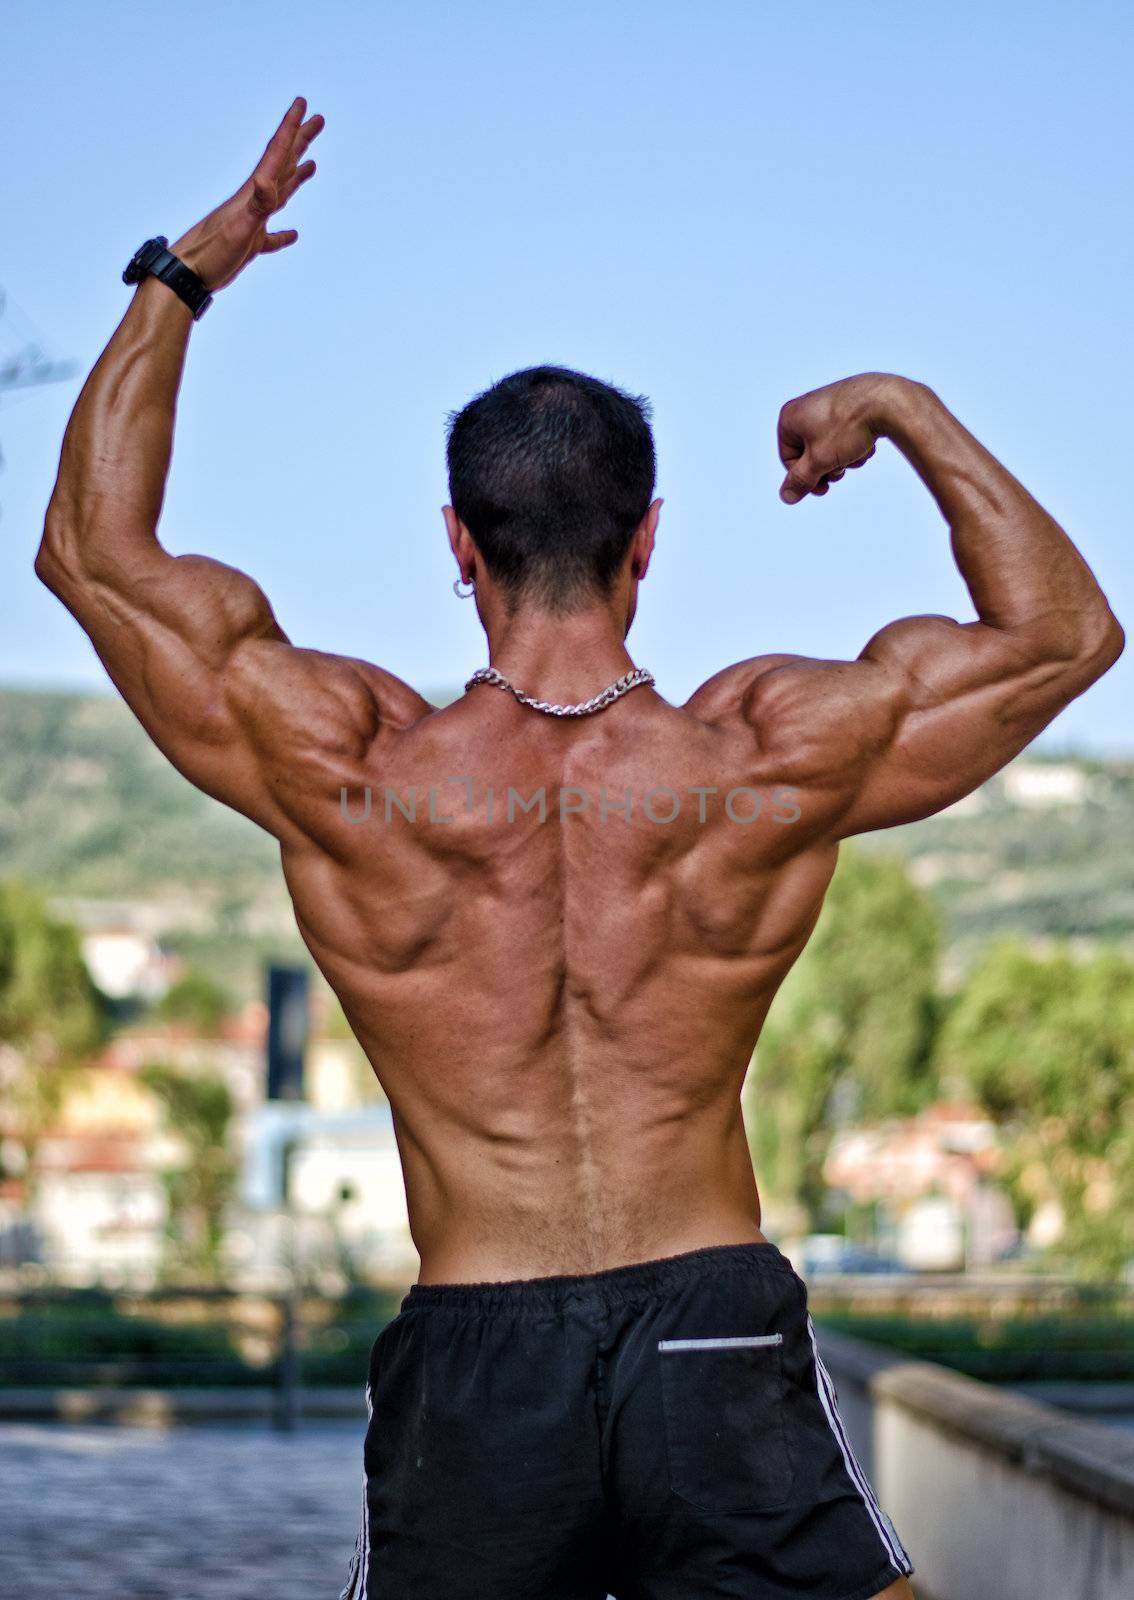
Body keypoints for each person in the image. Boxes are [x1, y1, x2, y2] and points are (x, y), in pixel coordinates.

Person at [36, 99, 1123, 1600]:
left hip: (478, 1347)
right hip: (714, 1329)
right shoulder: (761, 755)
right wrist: (903, 407)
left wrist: (185, 272)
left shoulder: (347, 764)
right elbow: (1060, 636)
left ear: (458, 544)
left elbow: (91, 554)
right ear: (649, 536)